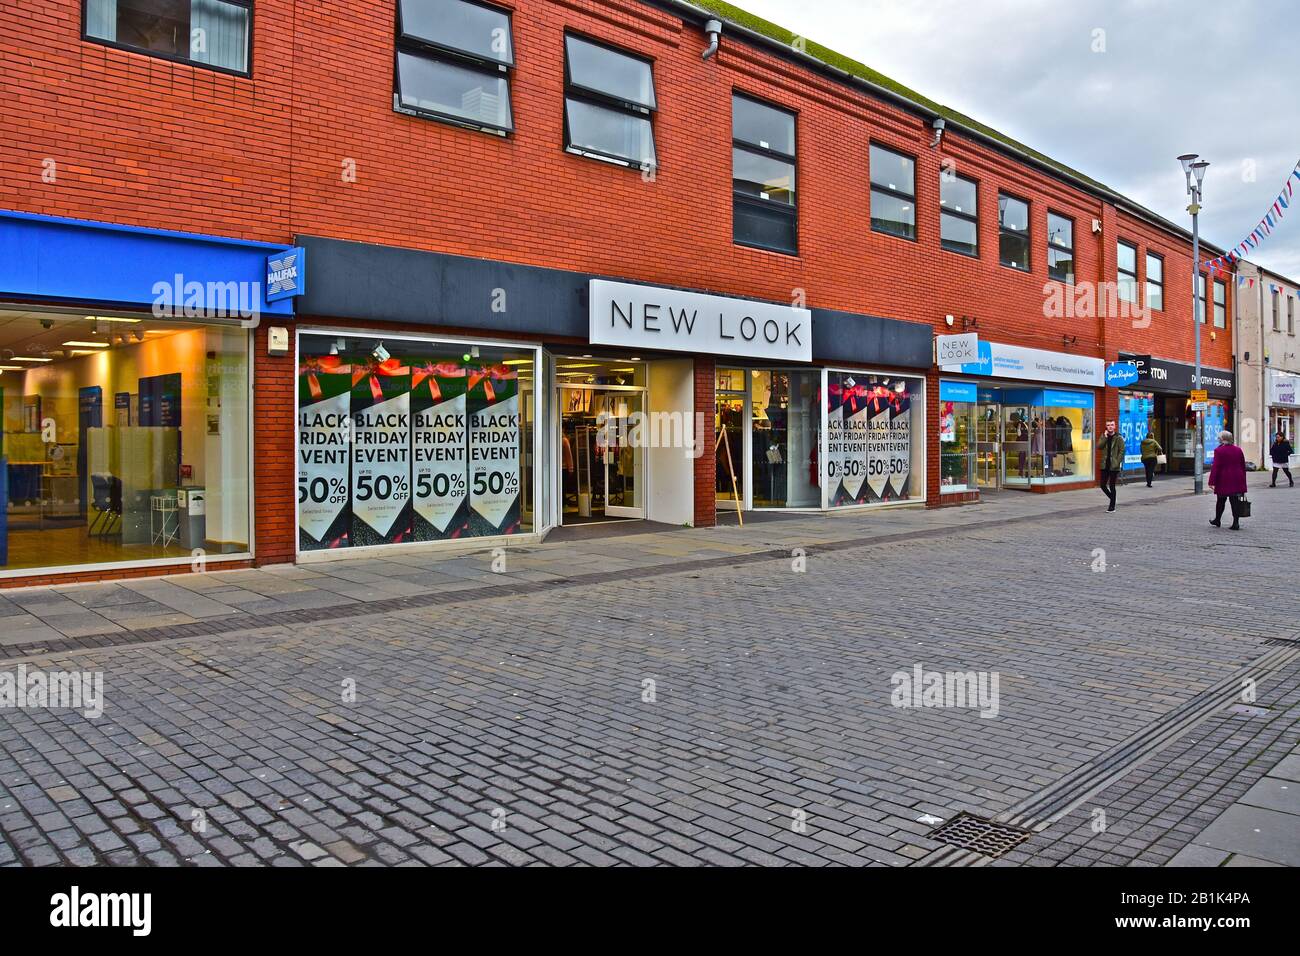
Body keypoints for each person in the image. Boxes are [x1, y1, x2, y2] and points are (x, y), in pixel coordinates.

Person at [1208, 429, 1248, 530]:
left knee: (1221, 500)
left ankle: (1217, 519)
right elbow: (1243, 465)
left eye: (1219, 438)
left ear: (1222, 439)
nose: (1218, 439)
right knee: (1235, 501)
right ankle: (1236, 522)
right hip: (1237, 478)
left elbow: (1216, 467)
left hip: (1224, 478)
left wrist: (1212, 481)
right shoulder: (1238, 450)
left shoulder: (1219, 450)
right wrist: (1243, 480)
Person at [1098, 419, 1124, 512]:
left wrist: (1117, 462)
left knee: (1112, 486)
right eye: (1108, 425)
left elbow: (1122, 451)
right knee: (1102, 485)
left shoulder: (1119, 438)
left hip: (1114, 465)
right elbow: (1099, 447)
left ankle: (1112, 507)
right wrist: (1104, 437)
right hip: (1105, 465)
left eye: (1112, 425)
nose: (1110, 427)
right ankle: (1113, 498)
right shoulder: (1103, 436)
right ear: (1106, 426)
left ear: (1115, 426)